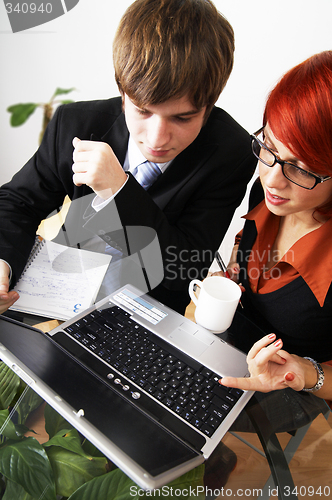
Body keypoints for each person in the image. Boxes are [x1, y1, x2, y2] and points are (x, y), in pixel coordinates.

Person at [0, 0, 255, 317]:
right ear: (123, 93)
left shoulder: (232, 153)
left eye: (183, 118)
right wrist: (3, 260)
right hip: (56, 294)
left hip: (148, 314)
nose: (157, 138)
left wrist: (119, 191)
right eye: (143, 111)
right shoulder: (76, 122)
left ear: (210, 105)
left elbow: (184, 265)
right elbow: (17, 202)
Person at [214, 51, 332, 432]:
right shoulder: (270, 190)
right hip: (235, 335)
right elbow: (246, 239)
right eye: (269, 147)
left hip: (292, 383)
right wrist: (234, 269)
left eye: (301, 168)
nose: (273, 180)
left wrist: (305, 372)